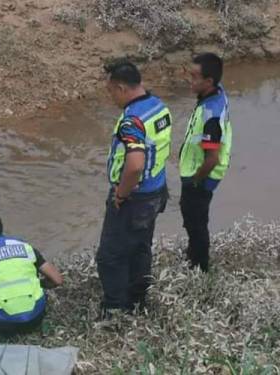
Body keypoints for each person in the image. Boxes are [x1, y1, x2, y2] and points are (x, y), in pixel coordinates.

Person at [96, 60, 171, 316]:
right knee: (140, 248)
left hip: (134, 198)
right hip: (156, 192)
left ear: (120, 88)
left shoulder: (132, 120)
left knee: (110, 256)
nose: (112, 99)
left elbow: (135, 165)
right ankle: (138, 301)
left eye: (111, 92)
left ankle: (115, 310)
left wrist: (121, 194)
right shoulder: (159, 107)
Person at [179, 53, 232, 272]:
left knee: (196, 224)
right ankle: (194, 257)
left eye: (194, 76)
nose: (189, 80)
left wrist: (195, 181)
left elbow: (212, 158)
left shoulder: (211, 116)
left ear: (208, 82)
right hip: (197, 172)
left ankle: (199, 269)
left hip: (201, 177)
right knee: (194, 219)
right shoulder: (216, 95)